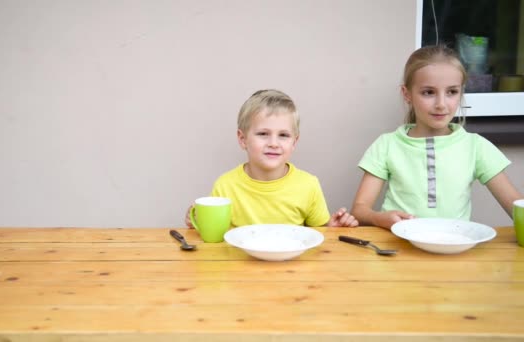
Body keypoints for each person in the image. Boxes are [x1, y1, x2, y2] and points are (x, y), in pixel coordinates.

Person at [351, 45, 523, 229]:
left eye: (452, 92)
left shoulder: (476, 147)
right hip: (396, 250)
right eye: (428, 92)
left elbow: (516, 205)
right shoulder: (386, 145)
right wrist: (379, 218)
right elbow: (359, 210)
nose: (441, 104)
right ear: (407, 94)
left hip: (453, 252)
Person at [185, 89, 358, 229]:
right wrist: (199, 222)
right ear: (242, 139)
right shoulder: (225, 185)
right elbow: (215, 233)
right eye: (263, 134)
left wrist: (332, 228)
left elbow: (319, 233)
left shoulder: (308, 185)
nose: (273, 143)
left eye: (283, 135)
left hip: (291, 268)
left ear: (294, 142)